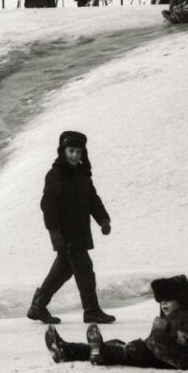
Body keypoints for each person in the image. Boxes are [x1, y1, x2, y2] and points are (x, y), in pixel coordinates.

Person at [26, 131, 115, 325]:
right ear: (62, 151)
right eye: (71, 151)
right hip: (67, 235)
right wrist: (54, 233)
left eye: (78, 151)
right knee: (85, 269)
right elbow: (48, 206)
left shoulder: (82, 174)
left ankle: (38, 306)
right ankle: (91, 310)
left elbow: (93, 199)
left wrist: (103, 219)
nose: (75, 155)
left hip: (80, 232)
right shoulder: (55, 175)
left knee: (63, 271)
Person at [44, 275, 188, 370]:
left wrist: (168, 327)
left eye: (168, 301)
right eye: (161, 301)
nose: (163, 305)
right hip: (157, 355)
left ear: (181, 300)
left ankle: (98, 353)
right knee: (115, 344)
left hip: (173, 361)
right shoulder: (171, 315)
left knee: (129, 350)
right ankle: (67, 350)